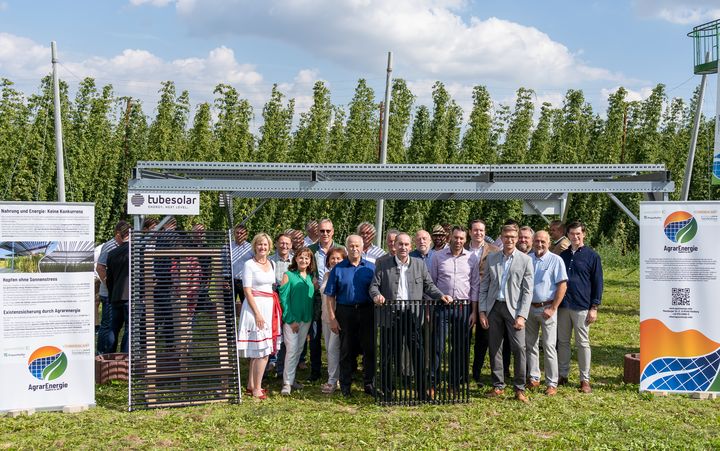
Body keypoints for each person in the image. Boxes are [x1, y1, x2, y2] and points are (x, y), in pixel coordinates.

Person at [370, 232, 451, 399]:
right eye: (400, 244)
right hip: (390, 315)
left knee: (418, 353)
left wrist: (441, 296)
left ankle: (422, 391)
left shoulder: (419, 264)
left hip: (412, 315)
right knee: (388, 354)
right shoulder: (383, 263)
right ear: (394, 245)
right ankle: (387, 390)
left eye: (406, 245)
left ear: (411, 246)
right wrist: (377, 296)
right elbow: (373, 287)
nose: (403, 248)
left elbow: (429, 285)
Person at [478, 224, 534, 403]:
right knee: (495, 348)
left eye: (512, 236)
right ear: (501, 238)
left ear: (517, 238)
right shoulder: (492, 258)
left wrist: (522, 315)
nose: (509, 239)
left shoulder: (525, 260)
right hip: (494, 308)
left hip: (514, 310)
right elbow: (484, 285)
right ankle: (498, 386)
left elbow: (527, 291)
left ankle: (519, 388)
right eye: (506, 236)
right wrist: (482, 311)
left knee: (519, 348)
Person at [324, 234, 376, 397]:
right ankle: (345, 384)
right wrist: (332, 318)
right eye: (351, 246)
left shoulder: (370, 268)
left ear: (362, 247)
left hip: (367, 311)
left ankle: (369, 383)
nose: (354, 249)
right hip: (345, 312)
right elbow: (330, 296)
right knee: (346, 349)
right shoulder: (338, 269)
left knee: (369, 349)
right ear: (347, 248)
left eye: (357, 246)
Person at [558, 220, 603, 393]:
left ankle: (585, 379)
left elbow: (598, 283)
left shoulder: (592, 256)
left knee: (582, 343)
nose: (575, 237)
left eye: (578, 234)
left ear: (583, 234)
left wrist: (594, 307)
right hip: (563, 305)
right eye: (572, 234)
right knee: (562, 342)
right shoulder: (563, 256)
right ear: (567, 235)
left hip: (582, 306)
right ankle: (563, 375)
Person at [236, 233, 282, 400]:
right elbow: (247, 290)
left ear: (269, 247)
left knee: (261, 349)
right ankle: (257, 388)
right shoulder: (249, 264)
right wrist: (257, 314)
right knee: (261, 351)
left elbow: (272, 286)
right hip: (255, 308)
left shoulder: (271, 263)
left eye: (265, 244)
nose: (262, 247)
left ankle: (251, 385)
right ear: (254, 246)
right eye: (259, 244)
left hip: (269, 306)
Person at [429, 226, 472, 396]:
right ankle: (433, 382)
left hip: (463, 308)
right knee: (437, 346)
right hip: (442, 307)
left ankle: (454, 383)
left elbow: (475, 285)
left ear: (465, 240)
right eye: (456, 237)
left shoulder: (471, 258)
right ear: (450, 238)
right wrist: (434, 302)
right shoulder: (438, 257)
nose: (458, 241)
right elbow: (431, 283)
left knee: (459, 347)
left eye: (462, 238)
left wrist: (474, 312)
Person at [525, 230, 567, 396]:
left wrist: (553, 308)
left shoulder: (556, 260)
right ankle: (534, 377)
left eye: (543, 241)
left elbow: (562, 286)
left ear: (549, 243)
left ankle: (551, 383)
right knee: (531, 345)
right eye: (537, 241)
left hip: (547, 308)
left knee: (549, 346)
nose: (540, 244)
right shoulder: (527, 259)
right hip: (529, 308)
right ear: (533, 242)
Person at [467, 219, 509, 384]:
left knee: (484, 339)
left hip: (486, 300)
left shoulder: (495, 250)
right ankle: (463, 372)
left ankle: (478, 374)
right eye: (475, 230)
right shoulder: (461, 248)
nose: (478, 233)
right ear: (470, 232)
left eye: (481, 230)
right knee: (465, 339)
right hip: (466, 300)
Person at [278, 247, 316, 395]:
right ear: (295, 258)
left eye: (307, 258)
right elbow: (284, 299)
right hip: (291, 320)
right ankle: (286, 383)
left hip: (305, 319)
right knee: (292, 350)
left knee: (299, 350)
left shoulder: (310, 278)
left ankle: (292, 379)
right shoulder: (288, 275)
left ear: (310, 261)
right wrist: (290, 319)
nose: (304, 260)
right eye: (301, 257)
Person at [96, 220, 130, 354]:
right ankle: (105, 353)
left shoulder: (114, 250)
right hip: (113, 293)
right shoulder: (111, 247)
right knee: (110, 325)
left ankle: (108, 355)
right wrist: (111, 286)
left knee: (112, 326)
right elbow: (100, 268)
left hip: (114, 293)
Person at [320, 247, 347, 394]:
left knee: (332, 349)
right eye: (333, 258)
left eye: (339, 258)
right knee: (331, 350)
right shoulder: (326, 275)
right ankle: (333, 378)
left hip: (337, 319)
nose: (335, 261)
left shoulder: (344, 274)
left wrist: (333, 319)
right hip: (325, 318)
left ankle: (332, 381)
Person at [268, 233, 293, 375]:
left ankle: (281, 367)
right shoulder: (269, 260)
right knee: (273, 331)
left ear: (291, 245)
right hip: (273, 299)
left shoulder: (295, 261)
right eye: (281, 243)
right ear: (276, 244)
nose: (284, 246)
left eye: (287, 243)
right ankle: (270, 362)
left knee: (286, 332)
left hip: (289, 300)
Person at [105, 221, 131, 353]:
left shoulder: (112, 253)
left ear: (120, 235)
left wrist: (111, 294)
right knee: (129, 328)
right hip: (130, 296)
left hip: (115, 296)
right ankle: (126, 359)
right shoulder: (135, 251)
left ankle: (110, 356)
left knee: (113, 328)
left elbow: (109, 279)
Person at [231, 224, 253, 304]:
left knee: (246, 304)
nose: (239, 235)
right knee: (229, 306)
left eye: (241, 233)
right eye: (237, 233)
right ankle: (231, 317)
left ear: (246, 235)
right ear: (234, 234)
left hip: (245, 281)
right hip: (231, 281)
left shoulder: (251, 248)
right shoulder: (228, 246)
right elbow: (224, 264)